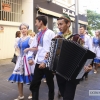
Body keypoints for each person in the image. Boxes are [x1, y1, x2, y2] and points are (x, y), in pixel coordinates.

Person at [55, 15, 92, 100]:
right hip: (59, 73)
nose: (59, 26)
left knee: (68, 97)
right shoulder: (57, 38)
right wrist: (49, 55)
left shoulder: (76, 38)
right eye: (58, 24)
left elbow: (84, 55)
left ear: (68, 24)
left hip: (72, 74)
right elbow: (54, 55)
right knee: (65, 95)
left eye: (61, 24)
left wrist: (88, 65)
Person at [28, 15, 55, 100]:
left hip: (48, 63)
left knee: (50, 84)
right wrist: (29, 57)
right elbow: (34, 47)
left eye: (36, 22)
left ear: (41, 22)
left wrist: (45, 61)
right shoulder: (38, 34)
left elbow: (53, 48)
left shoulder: (51, 33)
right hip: (38, 62)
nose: (35, 24)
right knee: (34, 84)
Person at [8, 23, 37, 100]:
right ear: (20, 30)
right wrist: (18, 52)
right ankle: (20, 95)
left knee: (30, 76)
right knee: (19, 76)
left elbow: (33, 49)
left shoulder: (30, 39)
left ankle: (32, 93)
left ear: (27, 29)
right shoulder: (18, 39)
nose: (23, 30)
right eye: (22, 28)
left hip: (28, 59)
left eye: (25, 28)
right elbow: (16, 48)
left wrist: (29, 55)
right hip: (20, 59)